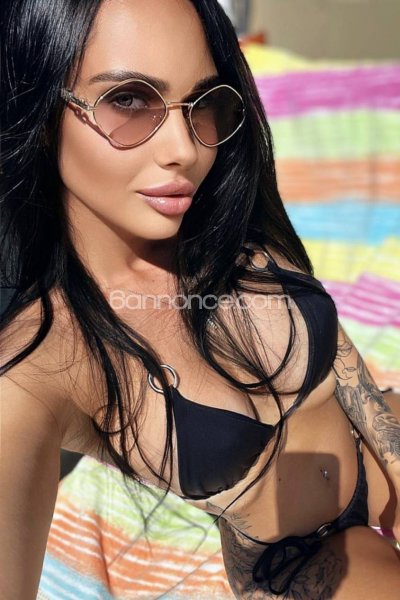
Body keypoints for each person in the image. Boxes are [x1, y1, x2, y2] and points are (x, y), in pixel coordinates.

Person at [0, 1, 399, 598]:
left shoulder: (227, 221)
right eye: (128, 100)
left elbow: (343, 366)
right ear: (36, 106)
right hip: (299, 559)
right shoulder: (37, 368)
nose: (185, 149)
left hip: (379, 435)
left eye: (204, 103)